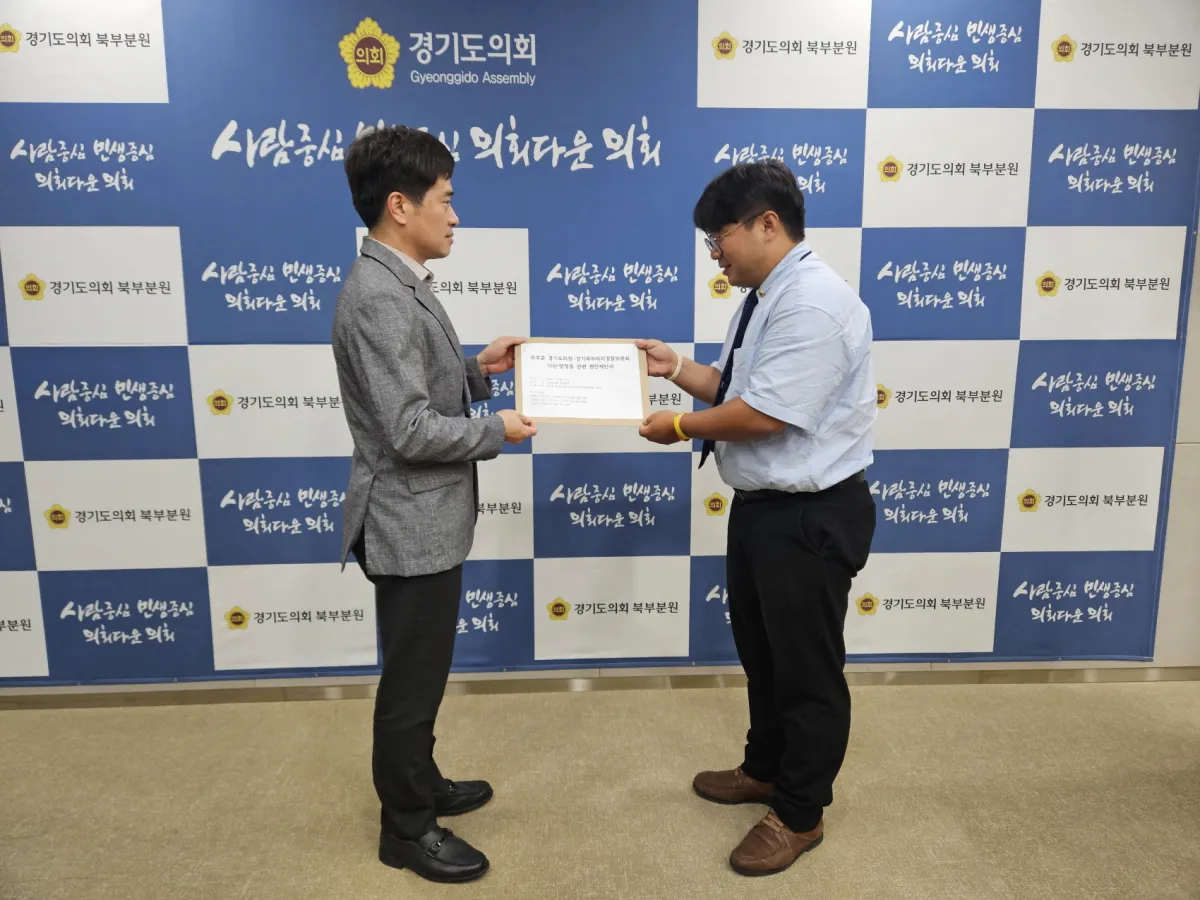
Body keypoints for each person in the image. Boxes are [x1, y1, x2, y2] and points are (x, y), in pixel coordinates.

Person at [636, 158, 878, 877]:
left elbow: (767, 414)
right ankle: (766, 768)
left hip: (808, 516)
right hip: (763, 510)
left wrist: (680, 427)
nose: (716, 254)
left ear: (767, 224)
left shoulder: (814, 304)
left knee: (805, 671)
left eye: (720, 238)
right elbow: (736, 388)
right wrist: (675, 367)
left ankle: (800, 813)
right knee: (764, 658)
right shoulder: (769, 295)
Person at [331, 124, 536, 884]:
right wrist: (496, 430)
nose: (455, 216)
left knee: (423, 672)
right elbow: (410, 429)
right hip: (407, 522)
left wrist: (478, 369)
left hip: (426, 519)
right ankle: (407, 828)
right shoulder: (379, 296)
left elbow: (416, 384)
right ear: (399, 205)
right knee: (411, 686)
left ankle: (421, 781)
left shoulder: (398, 280)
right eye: (445, 200)